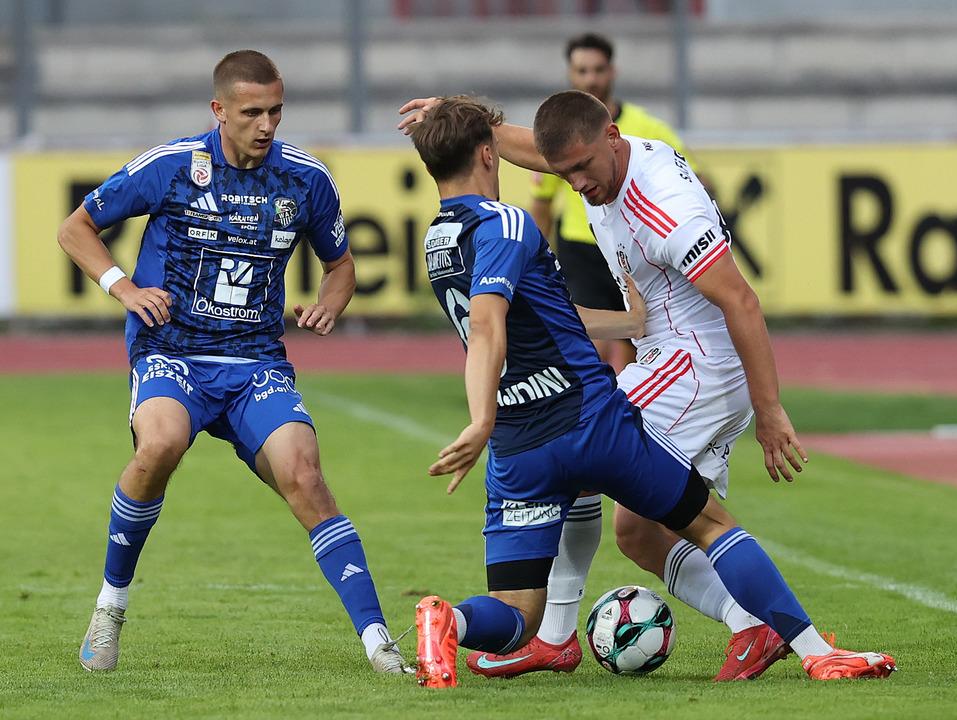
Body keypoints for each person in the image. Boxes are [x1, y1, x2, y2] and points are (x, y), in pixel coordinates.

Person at [402, 95, 895, 688]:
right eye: (564, 174)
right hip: (656, 344)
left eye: (583, 167)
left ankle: (564, 638)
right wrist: (459, 117)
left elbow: (740, 301)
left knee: (652, 488)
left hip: (696, 362)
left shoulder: (665, 209)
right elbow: (541, 155)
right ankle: (745, 624)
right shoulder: (588, 166)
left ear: (613, 137)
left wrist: (770, 411)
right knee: (634, 529)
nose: (577, 185)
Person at [59, 49, 410, 675]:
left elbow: (342, 266)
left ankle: (379, 643)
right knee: (159, 444)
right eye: (253, 112)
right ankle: (110, 606)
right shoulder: (171, 167)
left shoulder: (305, 178)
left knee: (305, 476)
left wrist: (331, 305)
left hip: (255, 362)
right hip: (173, 352)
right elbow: (77, 228)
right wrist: (124, 288)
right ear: (219, 110)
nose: (268, 124)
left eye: (276, 109)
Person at [533, 32, 705, 375]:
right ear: (571, 74)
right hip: (582, 248)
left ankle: (623, 414)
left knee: (635, 346)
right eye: (582, 70)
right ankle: (592, 413)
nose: (590, 79)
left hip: (634, 249)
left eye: (597, 69)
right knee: (590, 346)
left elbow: (690, 178)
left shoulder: (647, 128)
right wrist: (537, 260)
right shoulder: (562, 134)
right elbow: (543, 201)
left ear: (612, 71)